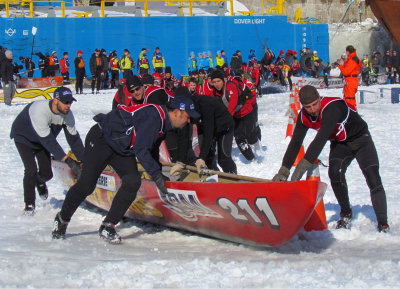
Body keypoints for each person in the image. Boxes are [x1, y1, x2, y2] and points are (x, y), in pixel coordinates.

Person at [52, 95, 200, 243]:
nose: (188, 121)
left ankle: (108, 225)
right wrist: (156, 175)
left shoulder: (165, 124)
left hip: (121, 148)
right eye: (187, 117)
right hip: (101, 139)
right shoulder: (153, 116)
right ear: (176, 112)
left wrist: (159, 174)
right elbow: (141, 149)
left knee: (133, 181)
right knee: (87, 185)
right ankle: (62, 218)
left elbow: (152, 149)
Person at [272, 85, 389, 232]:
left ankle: (383, 223)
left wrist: (299, 172)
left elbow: (320, 139)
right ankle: (346, 213)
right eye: (308, 107)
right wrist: (284, 170)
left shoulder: (331, 107)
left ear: (319, 98)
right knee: (335, 174)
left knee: (372, 177)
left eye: (315, 104)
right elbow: (295, 143)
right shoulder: (303, 117)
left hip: (361, 140)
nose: (313, 109)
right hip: (341, 144)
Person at [10, 87, 84, 215]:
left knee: (47, 174)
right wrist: (68, 161)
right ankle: (29, 205)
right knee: (31, 170)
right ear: (56, 100)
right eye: (65, 102)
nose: (68, 106)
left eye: (70, 102)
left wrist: (86, 161)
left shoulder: (67, 115)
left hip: (42, 140)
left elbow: (74, 140)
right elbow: (49, 142)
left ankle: (40, 181)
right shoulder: (40, 110)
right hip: (24, 138)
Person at [170, 87, 237, 177]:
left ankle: (233, 179)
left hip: (224, 127)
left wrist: (201, 158)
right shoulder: (183, 112)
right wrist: (180, 162)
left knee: (223, 159)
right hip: (203, 127)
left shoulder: (205, 104)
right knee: (207, 159)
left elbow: (208, 133)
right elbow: (184, 137)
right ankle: (215, 178)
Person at [211, 70, 259, 161]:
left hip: (246, 112)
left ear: (223, 80)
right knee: (238, 137)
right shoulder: (216, 92)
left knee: (250, 136)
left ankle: (257, 145)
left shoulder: (230, 86)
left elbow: (233, 104)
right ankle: (251, 158)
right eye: (214, 82)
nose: (216, 84)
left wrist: (225, 120)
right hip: (235, 116)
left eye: (218, 81)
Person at [339, 45, 362, 109]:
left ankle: (353, 112)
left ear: (348, 52)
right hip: (350, 80)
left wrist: (341, 65)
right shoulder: (352, 59)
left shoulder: (352, 60)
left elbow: (346, 72)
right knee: (347, 97)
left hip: (351, 80)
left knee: (350, 98)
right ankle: (348, 112)